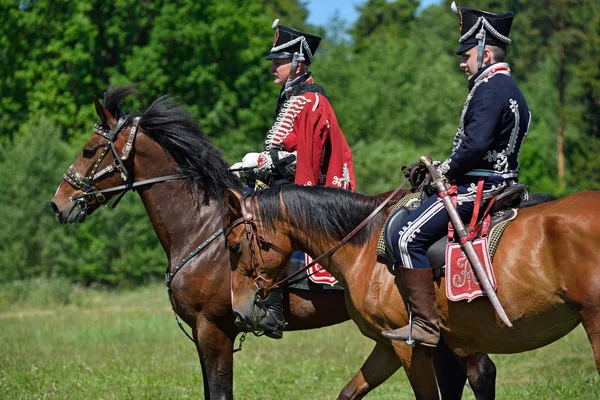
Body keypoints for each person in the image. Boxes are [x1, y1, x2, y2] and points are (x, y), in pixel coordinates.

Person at [381, 2, 531, 346]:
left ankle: (425, 325)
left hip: (477, 186)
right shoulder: (510, 88)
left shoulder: (491, 88)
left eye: (467, 55)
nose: (463, 62)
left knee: (405, 236)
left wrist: (442, 171)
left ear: (486, 54)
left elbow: (475, 145)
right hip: (500, 180)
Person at [231, 19, 356, 339]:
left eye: (279, 62)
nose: (272, 67)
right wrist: (257, 166)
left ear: (298, 61)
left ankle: (272, 308)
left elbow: (309, 159)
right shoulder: (292, 97)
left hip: (312, 187)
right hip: (288, 181)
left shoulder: (311, 100)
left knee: (264, 224)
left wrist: (261, 160)